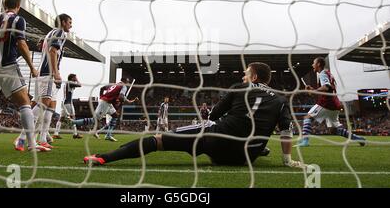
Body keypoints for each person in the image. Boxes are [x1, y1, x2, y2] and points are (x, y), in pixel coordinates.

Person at [83, 62, 306, 168]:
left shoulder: (240, 87)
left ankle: (104, 157)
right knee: (256, 138)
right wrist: (287, 160)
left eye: (247, 73)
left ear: (254, 76)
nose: (243, 75)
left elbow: (215, 114)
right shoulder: (281, 100)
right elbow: (286, 133)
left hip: (216, 142)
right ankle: (261, 147)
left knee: (159, 139)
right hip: (244, 158)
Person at [0, 0, 47, 152]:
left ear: (3, 4)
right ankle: (31, 144)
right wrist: (32, 67)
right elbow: (21, 43)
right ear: (18, 6)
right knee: (25, 103)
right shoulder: (18, 20)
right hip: (8, 65)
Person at [15, 13, 72, 150]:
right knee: (43, 104)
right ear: (63, 22)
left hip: (44, 72)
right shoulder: (60, 32)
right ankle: (22, 139)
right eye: (70, 22)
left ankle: (38, 139)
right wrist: (56, 72)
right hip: (48, 73)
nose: (71, 25)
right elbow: (52, 52)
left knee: (47, 105)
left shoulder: (50, 33)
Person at [296, 57, 366, 147]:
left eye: (314, 63)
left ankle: (305, 141)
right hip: (335, 103)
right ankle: (358, 138)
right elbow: (327, 88)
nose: (312, 65)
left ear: (318, 64)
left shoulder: (322, 73)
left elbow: (327, 87)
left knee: (307, 117)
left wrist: (314, 91)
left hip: (327, 103)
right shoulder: (328, 73)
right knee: (333, 130)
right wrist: (313, 90)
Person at [73, 78, 138, 142]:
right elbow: (121, 97)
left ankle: (108, 135)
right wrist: (121, 101)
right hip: (105, 102)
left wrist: (130, 101)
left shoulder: (115, 85)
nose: (129, 83)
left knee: (115, 116)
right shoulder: (124, 87)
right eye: (128, 81)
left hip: (107, 102)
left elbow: (103, 89)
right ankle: (74, 122)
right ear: (125, 81)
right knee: (94, 120)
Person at [53, 73, 82, 139]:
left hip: (66, 102)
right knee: (72, 118)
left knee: (61, 118)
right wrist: (77, 80)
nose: (76, 78)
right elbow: (80, 85)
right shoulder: (70, 83)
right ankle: (75, 134)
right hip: (68, 103)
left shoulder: (68, 83)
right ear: (72, 78)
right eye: (75, 77)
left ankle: (56, 133)